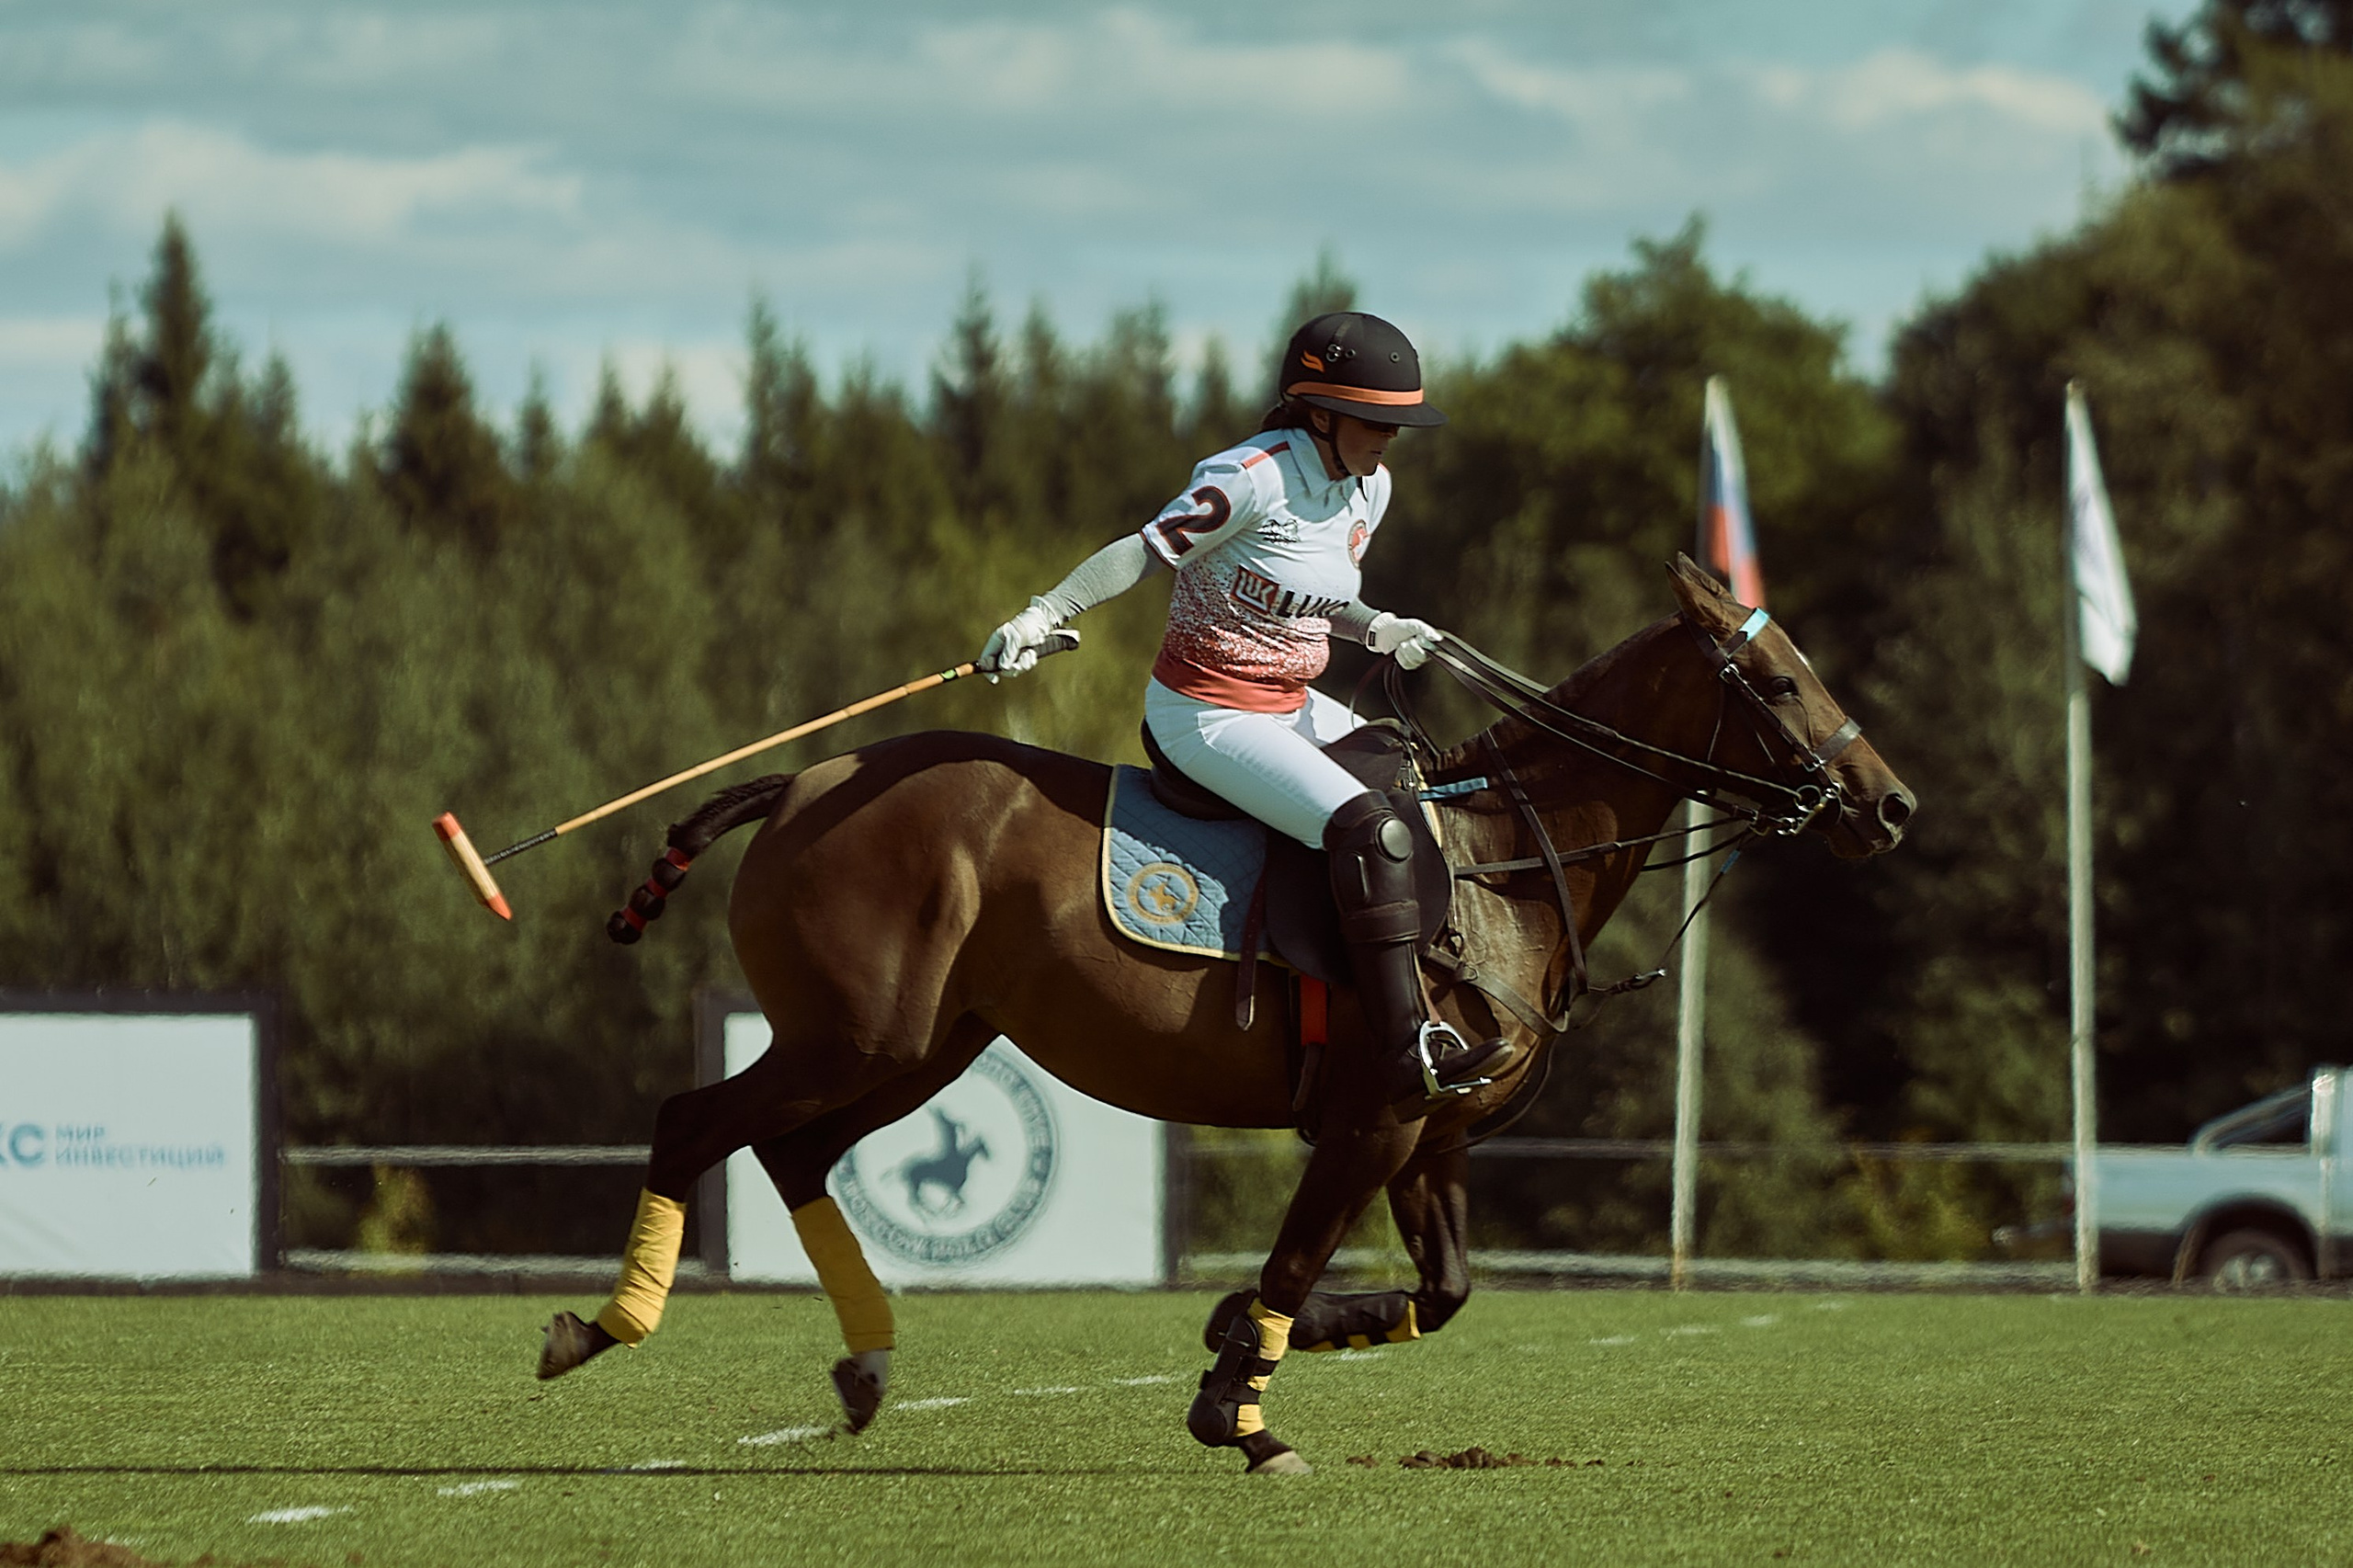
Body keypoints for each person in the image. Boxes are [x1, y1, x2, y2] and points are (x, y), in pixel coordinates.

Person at [979, 310, 1502, 1105]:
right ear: (1320, 412)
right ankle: (1407, 1044)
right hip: (1208, 715)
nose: (1390, 440)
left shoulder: (1371, 489)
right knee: (1371, 827)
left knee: (1415, 785)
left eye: (1398, 426)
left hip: (1293, 702)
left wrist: (1379, 627)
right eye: (1375, 422)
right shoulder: (1250, 476)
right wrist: (1043, 613)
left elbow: (1313, 601)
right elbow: (1142, 551)